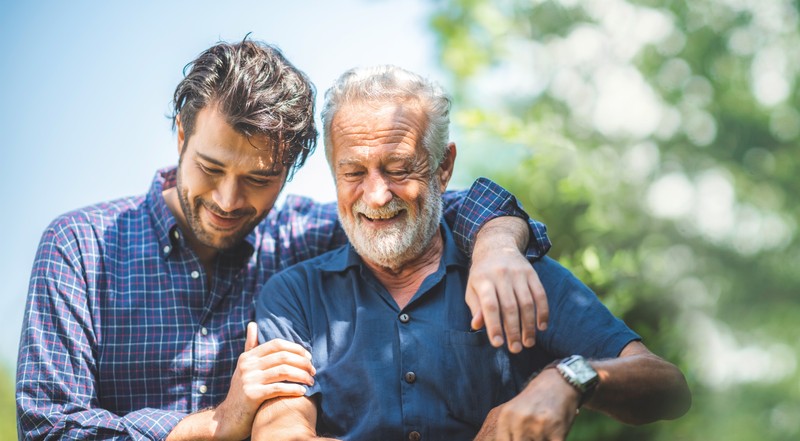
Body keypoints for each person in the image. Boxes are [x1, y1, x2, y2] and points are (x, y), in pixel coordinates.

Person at [15, 39, 554, 441]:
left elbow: (424, 205)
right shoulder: (79, 248)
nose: (228, 200)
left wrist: (497, 244)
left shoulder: (306, 235)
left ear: (291, 171)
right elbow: (46, 428)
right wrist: (211, 425)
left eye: (258, 179)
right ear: (181, 135)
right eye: (209, 168)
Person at [252, 65, 692, 441]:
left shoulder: (513, 273)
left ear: (443, 167)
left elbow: (667, 387)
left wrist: (569, 378)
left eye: (399, 168)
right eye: (353, 172)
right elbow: (279, 430)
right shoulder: (295, 294)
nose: (377, 195)